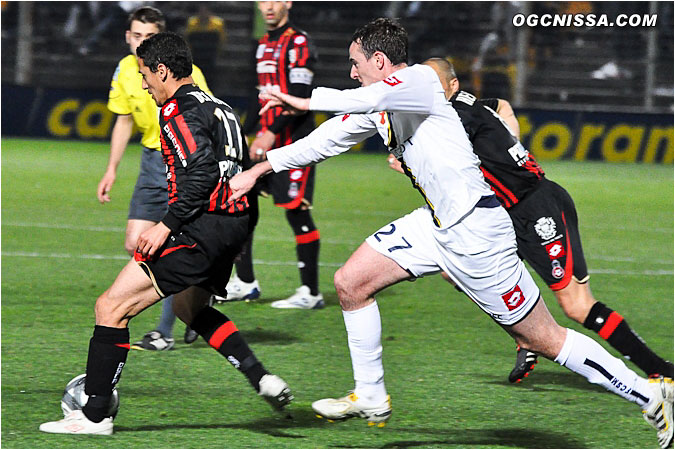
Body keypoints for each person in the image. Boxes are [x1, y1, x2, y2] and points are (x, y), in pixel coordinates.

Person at [229, 18, 673, 448]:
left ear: (380, 61)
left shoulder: (421, 80)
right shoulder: (380, 103)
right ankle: (370, 395)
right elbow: (326, 140)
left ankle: (650, 395)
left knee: (546, 338)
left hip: (479, 235)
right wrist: (261, 169)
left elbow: (351, 103)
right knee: (350, 283)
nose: (351, 72)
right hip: (436, 223)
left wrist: (305, 100)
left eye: (355, 64)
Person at [39, 32, 292, 436]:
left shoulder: (178, 110)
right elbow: (240, 173)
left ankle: (94, 415)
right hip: (233, 224)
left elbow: (203, 174)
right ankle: (260, 376)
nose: (143, 84)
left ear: (162, 70)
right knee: (190, 309)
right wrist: (236, 234)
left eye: (145, 75)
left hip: (199, 227)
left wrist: (165, 225)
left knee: (110, 307)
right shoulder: (221, 107)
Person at [395, 57, 673, 384]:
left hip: (537, 208)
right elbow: (502, 106)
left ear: (453, 86)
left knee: (576, 305)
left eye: (433, 85)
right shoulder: (465, 106)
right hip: (501, 214)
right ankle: (526, 336)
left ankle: (661, 371)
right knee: (454, 271)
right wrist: (511, 143)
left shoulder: (457, 116)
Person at [97, 6, 209, 351]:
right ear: (127, 36)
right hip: (150, 160)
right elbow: (124, 120)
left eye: (148, 36)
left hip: (180, 160)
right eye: (135, 35)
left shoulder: (186, 74)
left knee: (162, 243)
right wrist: (112, 168)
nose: (139, 42)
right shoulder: (125, 70)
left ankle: (164, 330)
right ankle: (196, 301)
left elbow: (205, 115)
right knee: (135, 242)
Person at [220, 0, 323, 310]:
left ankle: (311, 292)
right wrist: (244, 130)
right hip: (267, 142)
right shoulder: (263, 43)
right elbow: (260, 94)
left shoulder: (299, 42)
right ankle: (247, 282)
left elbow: (301, 96)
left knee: (297, 211)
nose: (267, 6)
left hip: (294, 142)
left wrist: (270, 132)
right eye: (262, 1)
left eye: (275, 0)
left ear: (288, 4)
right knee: (242, 203)